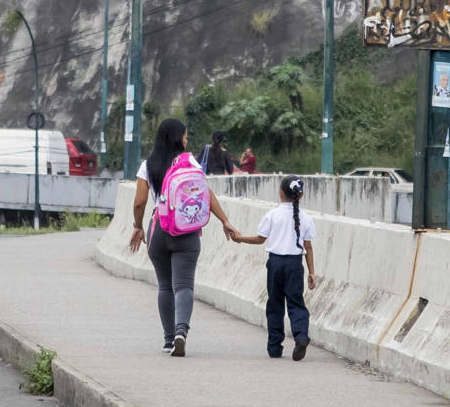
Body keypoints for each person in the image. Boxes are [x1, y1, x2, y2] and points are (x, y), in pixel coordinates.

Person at [125, 118, 240, 357]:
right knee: (184, 285)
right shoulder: (191, 164)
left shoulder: (148, 165)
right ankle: (181, 332)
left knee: (165, 286)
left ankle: (168, 340)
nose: (187, 140)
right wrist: (225, 221)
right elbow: (206, 193)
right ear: (178, 138)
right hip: (187, 232)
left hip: (160, 229)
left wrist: (138, 226)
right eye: (186, 136)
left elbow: (139, 201)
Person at [228, 175, 318, 360]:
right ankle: (301, 335)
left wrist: (240, 238)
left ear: (280, 193)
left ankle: (275, 346)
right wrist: (312, 272)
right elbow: (308, 247)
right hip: (295, 264)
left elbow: (260, 239)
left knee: (275, 303)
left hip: (276, 263)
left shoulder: (272, 215)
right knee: (296, 302)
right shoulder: (306, 219)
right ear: (301, 196)